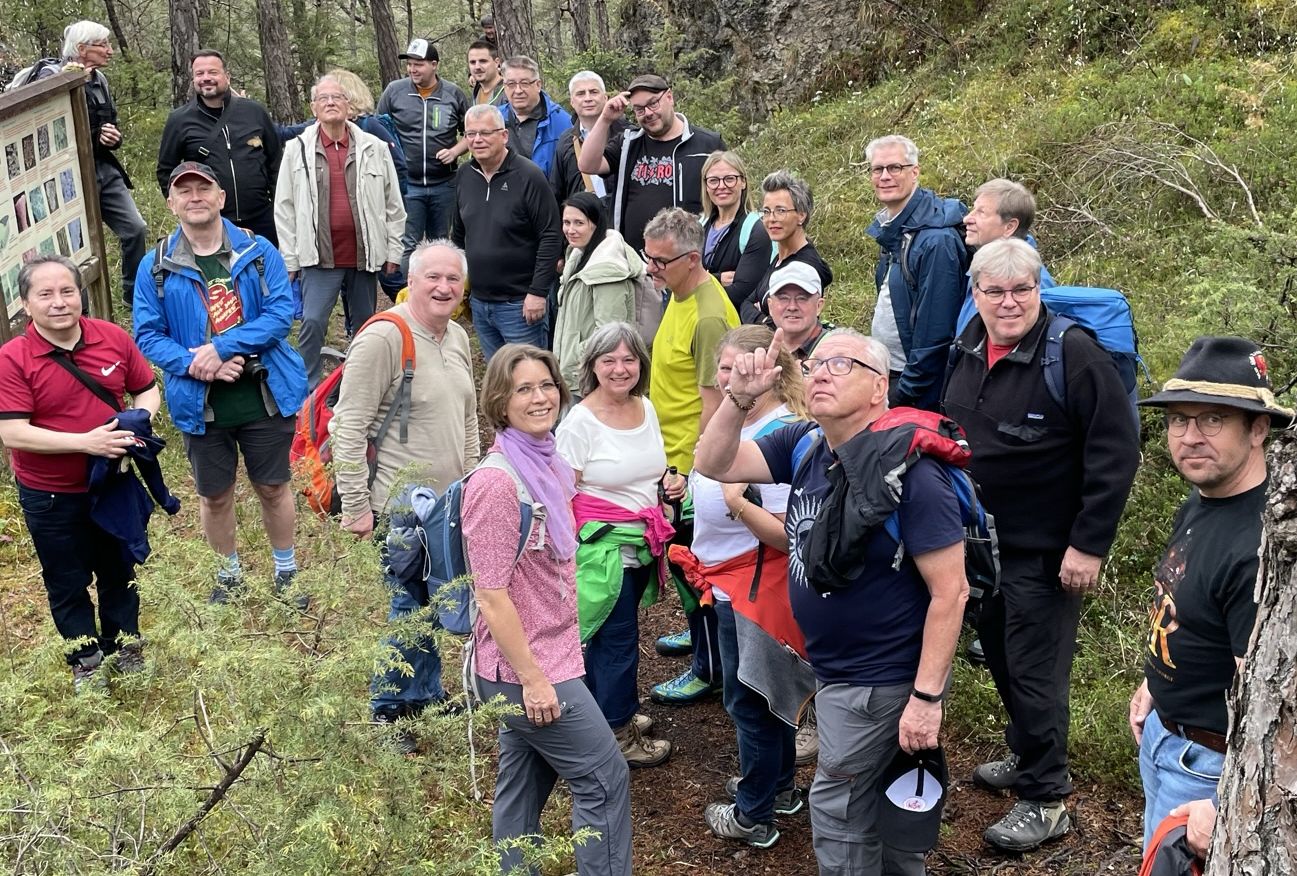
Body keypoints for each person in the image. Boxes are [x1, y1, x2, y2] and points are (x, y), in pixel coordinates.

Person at [694, 327, 968, 873]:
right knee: (883, 811)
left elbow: (950, 591)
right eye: (816, 362)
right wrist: (738, 397)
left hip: (878, 679)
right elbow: (714, 461)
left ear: (878, 388)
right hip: (839, 671)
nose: (819, 371)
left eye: (841, 365)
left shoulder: (914, 473)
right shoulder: (806, 445)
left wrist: (926, 699)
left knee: (838, 808)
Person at [941, 238, 1139, 852]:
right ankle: (1029, 755)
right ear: (975, 294)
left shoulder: (1073, 355)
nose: (1008, 302)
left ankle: (1047, 798)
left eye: (1021, 290)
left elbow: (1116, 452)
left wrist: (1088, 545)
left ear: (1038, 291)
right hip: (981, 549)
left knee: (1035, 674)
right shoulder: (970, 342)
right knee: (1000, 658)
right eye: (994, 291)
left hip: (1047, 553)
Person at [467, 344, 632, 876]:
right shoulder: (497, 482)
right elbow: (491, 595)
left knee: (522, 784)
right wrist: (534, 679)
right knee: (604, 778)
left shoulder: (548, 461)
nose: (540, 398)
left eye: (546, 385)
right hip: (527, 668)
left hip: (552, 651)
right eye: (523, 389)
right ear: (499, 401)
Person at [1128, 336, 1292, 851]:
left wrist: (1229, 805)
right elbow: (1189, 613)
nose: (1190, 436)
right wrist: (1158, 682)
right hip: (1165, 738)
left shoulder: (1259, 549)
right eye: (1180, 419)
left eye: (1213, 420)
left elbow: (1279, 706)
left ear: (1259, 428)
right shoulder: (1203, 501)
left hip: (1212, 771)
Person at [133, 162, 309, 606]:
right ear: (171, 203)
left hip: (264, 391)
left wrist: (224, 347)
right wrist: (199, 364)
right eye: (184, 191)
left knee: (273, 486)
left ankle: (286, 571)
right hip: (200, 400)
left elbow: (280, 314)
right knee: (214, 496)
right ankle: (228, 575)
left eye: (203, 188)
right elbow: (149, 334)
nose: (195, 197)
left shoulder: (258, 250)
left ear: (220, 198)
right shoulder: (155, 266)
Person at [329, 240, 479, 742]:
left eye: (453, 280)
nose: (443, 287)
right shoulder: (384, 338)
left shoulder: (456, 336)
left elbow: (468, 420)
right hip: (399, 508)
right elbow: (347, 427)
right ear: (409, 282)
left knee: (433, 600)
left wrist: (475, 488)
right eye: (432, 277)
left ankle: (424, 694)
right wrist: (356, 505)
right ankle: (390, 706)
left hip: (447, 505)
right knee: (409, 606)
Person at [0, 256, 162, 692]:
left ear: (80, 294)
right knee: (66, 579)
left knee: (119, 568)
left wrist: (137, 423)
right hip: (50, 493)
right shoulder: (13, 359)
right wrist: (85, 443)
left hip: (112, 481)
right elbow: (12, 432)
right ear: (26, 303)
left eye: (67, 291)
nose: (58, 303)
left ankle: (125, 646)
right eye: (45, 294)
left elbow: (146, 388)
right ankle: (86, 661)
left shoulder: (110, 337)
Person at [688, 325, 811, 850]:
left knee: (750, 699)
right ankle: (778, 788)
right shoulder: (736, 421)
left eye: (744, 369)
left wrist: (739, 504)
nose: (731, 378)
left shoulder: (782, 434)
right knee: (766, 695)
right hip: (730, 582)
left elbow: (790, 536)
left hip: (759, 587)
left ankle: (754, 812)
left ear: (773, 376)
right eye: (726, 369)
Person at [555, 322, 682, 768]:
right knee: (617, 641)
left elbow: (649, 472)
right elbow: (561, 496)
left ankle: (601, 712)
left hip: (640, 543)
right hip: (601, 551)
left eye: (629, 359)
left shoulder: (645, 408)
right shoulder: (579, 423)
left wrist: (668, 490)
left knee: (619, 636)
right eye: (608, 359)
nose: (620, 368)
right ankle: (616, 731)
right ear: (591, 365)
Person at [640, 207, 739, 706]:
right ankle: (698, 636)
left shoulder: (707, 315)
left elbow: (715, 404)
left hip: (689, 467)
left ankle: (710, 666)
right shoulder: (677, 294)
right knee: (683, 565)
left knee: (697, 570)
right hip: (670, 457)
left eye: (660, 261)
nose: (650, 268)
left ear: (693, 258)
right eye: (648, 256)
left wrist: (692, 473)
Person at [274, 73, 405, 386]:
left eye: (338, 98)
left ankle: (361, 384)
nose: (331, 103)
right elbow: (284, 207)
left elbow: (393, 204)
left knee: (365, 325)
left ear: (349, 105)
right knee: (313, 321)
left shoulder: (374, 147)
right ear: (314, 107)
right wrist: (290, 258)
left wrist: (394, 249)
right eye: (324, 99)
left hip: (364, 253)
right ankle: (307, 391)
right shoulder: (296, 149)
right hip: (318, 256)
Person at [34, 23, 146, 303]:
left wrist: (112, 137)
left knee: (135, 228)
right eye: (103, 45)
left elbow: (110, 123)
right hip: (67, 174)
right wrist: (69, 81)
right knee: (76, 243)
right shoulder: (51, 78)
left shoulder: (101, 81)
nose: (110, 51)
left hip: (102, 167)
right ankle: (77, 305)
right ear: (82, 49)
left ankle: (133, 296)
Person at [864, 134, 967, 411]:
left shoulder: (936, 240)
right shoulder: (895, 230)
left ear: (915, 172)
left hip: (916, 388)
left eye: (895, 168)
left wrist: (905, 393)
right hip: (890, 373)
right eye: (877, 169)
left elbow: (936, 333)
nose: (885, 176)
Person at [451, 104, 562, 361]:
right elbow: (458, 236)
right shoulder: (465, 176)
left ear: (504, 136)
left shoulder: (529, 176)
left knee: (529, 376)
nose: (477, 140)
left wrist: (537, 292)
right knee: (499, 377)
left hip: (521, 304)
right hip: (480, 302)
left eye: (485, 133)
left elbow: (550, 235)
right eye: (471, 134)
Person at [577, 74, 726, 254]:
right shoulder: (627, 143)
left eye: (653, 103)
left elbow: (729, 196)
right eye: (639, 109)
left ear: (669, 97)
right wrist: (606, 119)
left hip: (686, 259)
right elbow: (587, 165)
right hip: (633, 262)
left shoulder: (707, 144)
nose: (648, 113)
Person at [157, 50, 283, 245]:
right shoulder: (180, 120)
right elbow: (166, 170)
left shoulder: (254, 112)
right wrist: (187, 208)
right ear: (193, 79)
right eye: (199, 74)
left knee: (265, 272)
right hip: (211, 223)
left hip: (263, 219)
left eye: (213, 72)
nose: (206, 78)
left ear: (227, 76)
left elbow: (276, 163)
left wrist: (278, 206)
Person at [376, 39, 470, 271]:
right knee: (407, 244)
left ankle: (442, 296)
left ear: (434, 65)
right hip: (408, 185)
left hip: (445, 184)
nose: (412, 69)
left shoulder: (453, 94)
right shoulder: (394, 91)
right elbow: (378, 129)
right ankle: (407, 298)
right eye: (410, 64)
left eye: (419, 64)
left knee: (442, 243)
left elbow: (472, 132)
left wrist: (455, 150)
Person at [552, 193, 646, 391]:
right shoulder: (578, 255)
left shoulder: (608, 271)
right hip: (575, 377)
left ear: (596, 224)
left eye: (579, 223)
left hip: (592, 381)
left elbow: (610, 334)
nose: (570, 230)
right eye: (566, 222)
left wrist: (575, 357)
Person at [955, 178, 1057, 334]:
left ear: (1009, 227)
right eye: (972, 209)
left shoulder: (1033, 283)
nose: (967, 219)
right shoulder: (984, 269)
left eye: (981, 212)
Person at [738, 170, 832, 324]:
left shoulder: (806, 267)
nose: (771, 219)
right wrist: (763, 317)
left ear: (801, 215)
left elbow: (785, 326)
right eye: (767, 212)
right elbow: (745, 304)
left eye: (780, 211)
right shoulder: (780, 257)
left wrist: (760, 318)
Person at [698, 150, 773, 313]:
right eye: (713, 180)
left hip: (738, 329)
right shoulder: (699, 226)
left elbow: (741, 293)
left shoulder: (757, 231)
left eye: (729, 179)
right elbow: (678, 277)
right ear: (706, 185)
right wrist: (717, 279)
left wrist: (695, 284)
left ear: (743, 182)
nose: (721, 186)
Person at [550, 70, 627, 202]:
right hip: (583, 219)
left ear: (605, 98)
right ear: (572, 102)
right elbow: (557, 191)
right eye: (580, 94)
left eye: (594, 92)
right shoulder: (566, 141)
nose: (588, 98)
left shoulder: (627, 135)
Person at [498, 56, 572, 179]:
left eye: (525, 83)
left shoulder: (561, 122)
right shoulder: (494, 119)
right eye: (511, 84)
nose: (518, 90)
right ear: (504, 87)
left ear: (538, 85)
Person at [764, 261, 834, 364]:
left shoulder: (836, 351)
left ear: (819, 306)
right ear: (770, 306)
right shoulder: (758, 349)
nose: (792, 307)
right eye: (784, 298)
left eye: (802, 298)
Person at [467, 39, 504, 106]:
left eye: (483, 61)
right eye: (472, 62)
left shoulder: (508, 92)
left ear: (496, 62)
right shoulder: (475, 94)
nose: (477, 67)